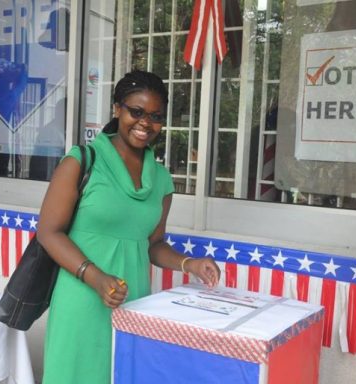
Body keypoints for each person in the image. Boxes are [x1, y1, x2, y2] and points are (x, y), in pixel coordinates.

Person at [37, 70, 221, 383]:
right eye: (136, 112)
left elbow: (153, 243)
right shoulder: (82, 161)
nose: (145, 124)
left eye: (155, 116)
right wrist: (95, 278)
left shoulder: (161, 178)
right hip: (82, 298)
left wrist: (189, 263)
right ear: (117, 109)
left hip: (133, 302)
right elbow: (48, 232)